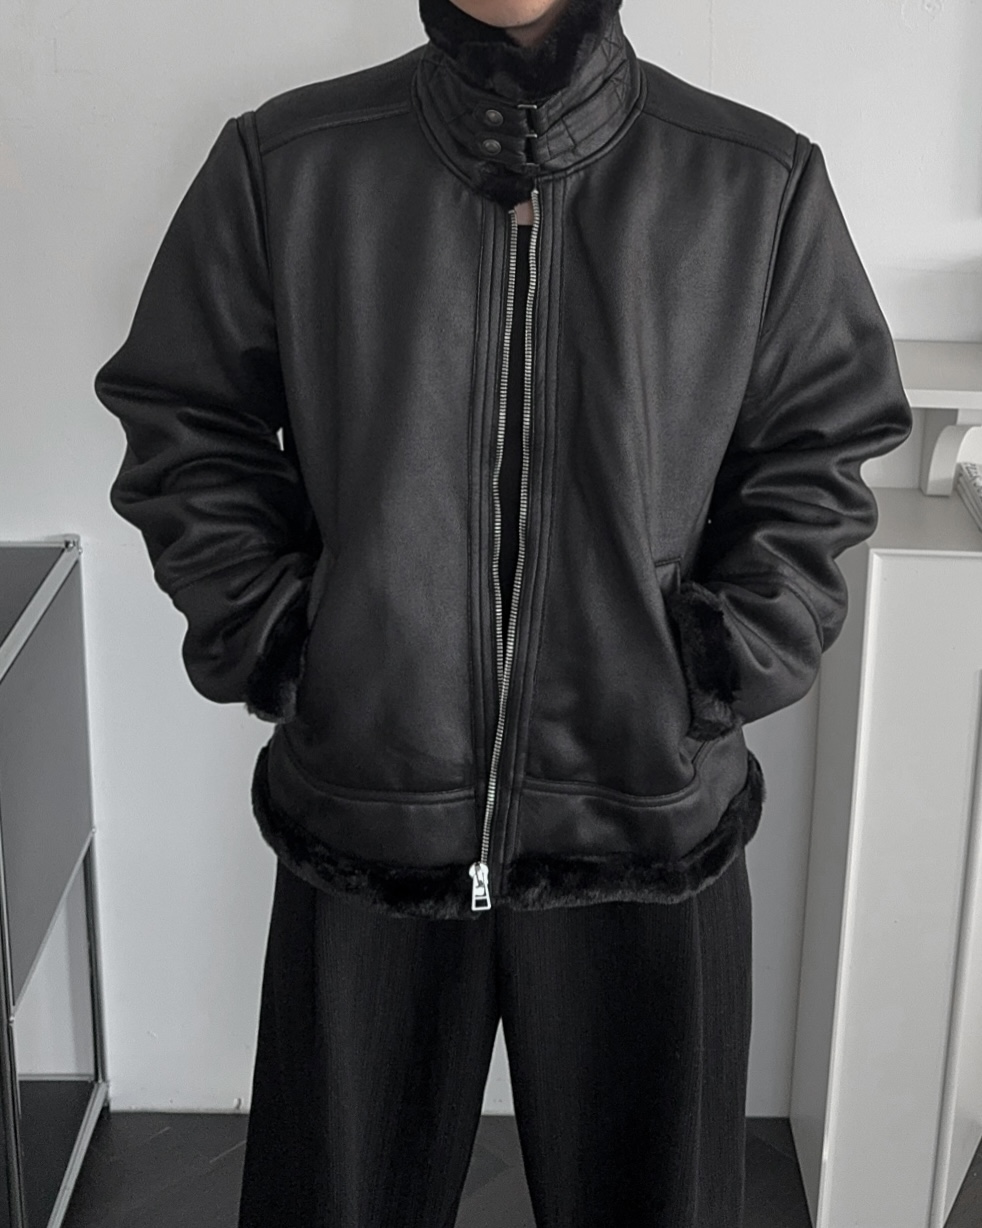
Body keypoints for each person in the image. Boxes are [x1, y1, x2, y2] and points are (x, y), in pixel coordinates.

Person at [92, 0, 913, 1223]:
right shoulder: (289, 162)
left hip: (645, 812)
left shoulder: (752, 179)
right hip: (373, 802)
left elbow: (820, 446)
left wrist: (715, 662)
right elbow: (185, 419)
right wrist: (289, 640)